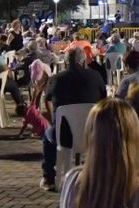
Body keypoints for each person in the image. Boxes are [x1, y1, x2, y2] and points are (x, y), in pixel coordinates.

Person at [40, 46, 107, 191]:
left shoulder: (56, 79)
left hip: (63, 135)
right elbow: (104, 101)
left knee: (47, 135)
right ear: (83, 62)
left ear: (66, 62)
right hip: (92, 133)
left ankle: (49, 177)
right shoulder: (96, 77)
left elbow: (48, 100)